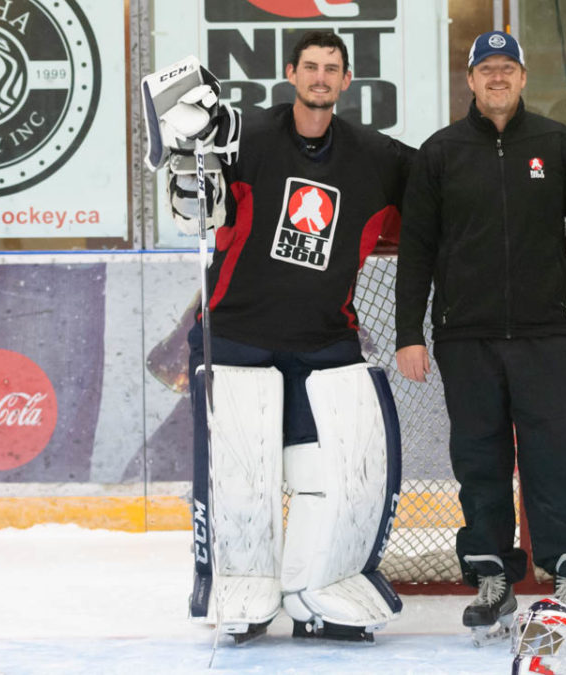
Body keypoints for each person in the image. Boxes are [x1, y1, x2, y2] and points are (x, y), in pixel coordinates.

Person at [157, 31, 412, 643]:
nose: (321, 77)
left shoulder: (379, 156)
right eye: (311, 67)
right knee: (242, 476)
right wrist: (184, 153)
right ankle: (242, 590)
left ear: (347, 81)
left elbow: (442, 191)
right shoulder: (244, 136)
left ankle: (315, 590)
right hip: (237, 335)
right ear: (292, 74)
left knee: (330, 474)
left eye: (333, 69)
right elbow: (188, 192)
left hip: (323, 343)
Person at [394, 30, 566, 640]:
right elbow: (416, 249)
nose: (496, 78)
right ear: (469, 80)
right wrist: (409, 330)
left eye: (506, 68)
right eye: (485, 68)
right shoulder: (440, 152)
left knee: (555, 457)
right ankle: (492, 578)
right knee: (479, 460)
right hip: (465, 338)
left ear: (522, 77)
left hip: (543, 335)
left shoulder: (558, 144)